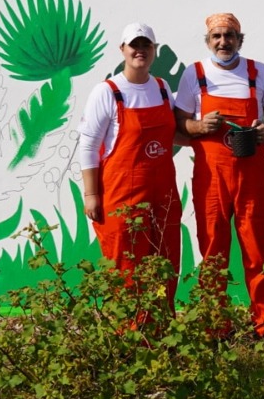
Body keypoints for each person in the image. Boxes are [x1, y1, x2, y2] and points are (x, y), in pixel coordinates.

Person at [173, 13, 264, 334]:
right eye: (217, 36)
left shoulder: (259, 73)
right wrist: (198, 125)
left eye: (230, 35)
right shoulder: (193, 75)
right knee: (212, 248)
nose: (224, 42)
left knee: (257, 248)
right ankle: (213, 324)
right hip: (211, 176)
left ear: (240, 39)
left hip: (252, 175)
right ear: (208, 41)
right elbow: (179, 123)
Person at [76, 22, 185, 309]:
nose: (140, 50)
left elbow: (174, 133)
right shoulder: (108, 91)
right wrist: (91, 195)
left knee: (165, 264)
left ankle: (163, 332)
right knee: (125, 267)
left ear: (154, 50)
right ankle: (129, 340)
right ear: (122, 49)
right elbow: (88, 145)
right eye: (134, 45)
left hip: (162, 196)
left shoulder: (162, 88)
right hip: (122, 199)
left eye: (146, 45)